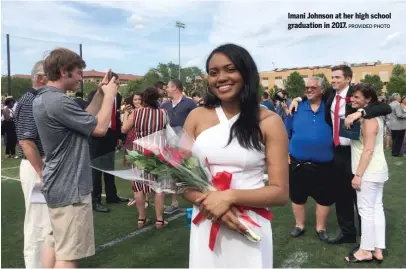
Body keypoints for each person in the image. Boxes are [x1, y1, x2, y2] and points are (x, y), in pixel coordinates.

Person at [182, 44, 289, 268]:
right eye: (213, 73)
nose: (221, 78)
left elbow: (280, 193)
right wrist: (213, 204)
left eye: (230, 69)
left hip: (248, 224)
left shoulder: (269, 121)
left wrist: (228, 198)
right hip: (206, 222)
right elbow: (178, 178)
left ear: (246, 73)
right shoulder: (196, 116)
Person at [32, 48, 119, 268]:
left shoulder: (46, 99)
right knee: (68, 255)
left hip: (57, 183)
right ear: (63, 71)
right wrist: (110, 96)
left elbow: (86, 118)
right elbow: (99, 128)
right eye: (79, 72)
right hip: (70, 186)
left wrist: (99, 93)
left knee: (55, 242)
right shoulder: (58, 102)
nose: (81, 77)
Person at [289, 65, 391, 244]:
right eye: (332, 77)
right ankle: (348, 234)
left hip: (354, 150)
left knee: (360, 194)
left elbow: (384, 107)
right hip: (337, 152)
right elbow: (313, 92)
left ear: (348, 79)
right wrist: (298, 98)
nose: (334, 80)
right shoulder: (330, 95)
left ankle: (366, 237)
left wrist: (361, 112)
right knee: (342, 194)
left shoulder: (356, 93)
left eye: (337, 77)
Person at [344, 83, 388, 263]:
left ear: (368, 99)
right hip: (377, 170)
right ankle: (378, 249)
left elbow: (368, 150)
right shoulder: (372, 116)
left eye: (356, 97)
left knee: (366, 211)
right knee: (376, 208)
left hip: (368, 172)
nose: (352, 100)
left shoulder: (369, 119)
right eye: (352, 96)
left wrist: (358, 175)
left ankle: (365, 250)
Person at [14, 60, 51, 268]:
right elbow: (27, 142)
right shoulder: (30, 100)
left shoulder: (37, 99)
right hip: (37, 165)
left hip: (40, 165)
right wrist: (41, 172)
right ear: (40, 78)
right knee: (37, 221)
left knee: (45, 220)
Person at [287, 77, 334, 242]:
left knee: (324, 198)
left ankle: (321, 228)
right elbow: (287, 133)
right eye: (307, 88)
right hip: (298, 163)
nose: (308, 90)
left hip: (325, 164)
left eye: (313, 87)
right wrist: (286, 153)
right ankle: (299, 225)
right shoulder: (297, 107)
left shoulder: (330, 107)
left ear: (322, 90)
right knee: (297, 197)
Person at [121, 87, 169, 229]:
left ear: (143, 99)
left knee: (138, 187)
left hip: (139, 153)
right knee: (159, 187)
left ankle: (141, 218)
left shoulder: (136, 113)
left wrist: (126, 114)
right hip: (158, 152)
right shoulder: (163, 113)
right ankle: (159, 220)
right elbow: (167, 130)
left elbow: (124, 129)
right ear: (157, 99)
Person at [89, 73, 129, 213]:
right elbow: (90, 114)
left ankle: (112, 196)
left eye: (118, 83)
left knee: (110, 168)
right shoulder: (96, 94)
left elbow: (117, 117)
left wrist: (118, 135)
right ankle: (95, 200)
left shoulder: (117, 96)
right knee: (96, 169)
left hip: (111, 136)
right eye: (115, 82)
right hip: (96, 136)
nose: (117, 85)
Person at [161, 79, 197, 215]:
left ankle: (198, 199)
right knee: (173, 173)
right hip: (171, 144)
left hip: (187, 144)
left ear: (175, 88)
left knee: (192, 171)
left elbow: (197, 121)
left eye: (168, 87)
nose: (166, 89)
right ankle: (174, 202)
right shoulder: (165, 105)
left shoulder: (189, 103)